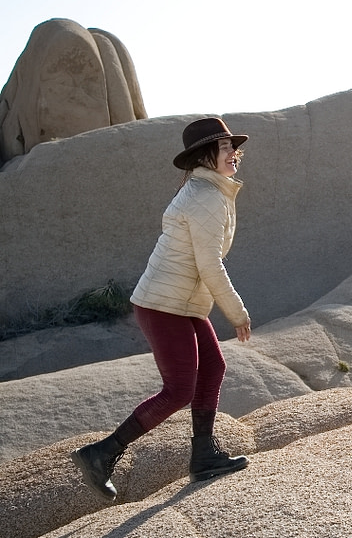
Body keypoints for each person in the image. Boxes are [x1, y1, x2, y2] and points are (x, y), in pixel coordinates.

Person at [71, 117, 253, 501]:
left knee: (213, 367)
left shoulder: (211, 191)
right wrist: (237, 312)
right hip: (164, 304)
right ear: (205, 156)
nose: (233, 153)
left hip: (180, 301)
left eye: (234, 147)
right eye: (225, 148)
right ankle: (102, 453)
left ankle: (204, 455)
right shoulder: (205, 197)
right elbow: (210, 265)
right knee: (179, 390)